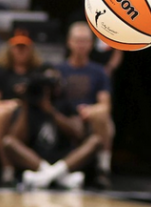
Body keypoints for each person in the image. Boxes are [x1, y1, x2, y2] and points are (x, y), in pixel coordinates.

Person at [7, 67, 95, 190]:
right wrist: (25, 104)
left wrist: (51, 111)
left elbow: (78, 134)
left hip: (63, 157)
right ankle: (60, 177)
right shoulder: (29, 106)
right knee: (8, 142)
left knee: (95, 141)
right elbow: (17, 139)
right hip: (36, 159)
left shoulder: (65, 104)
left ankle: (47, 176)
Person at [55, 23, 113, 188]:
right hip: (64, 119)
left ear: (91, 44)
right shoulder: (58, 69)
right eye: (77, 40)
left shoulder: (99, 71)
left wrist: (90, 111)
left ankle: (103, 168)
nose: (81, 45)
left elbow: (105, 105)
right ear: (69, 42)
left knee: (102, 116)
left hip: (90, 121)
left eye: (85, 41)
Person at [0, 31, 48, 185]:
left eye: (24, 47)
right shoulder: (0, 72)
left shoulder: (38, 72)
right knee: (1, 113)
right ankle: (7, 167)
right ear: (10, 49)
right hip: (8, 116)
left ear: (31, 50)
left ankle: (10, 168)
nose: (20, 51)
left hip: (33, 114)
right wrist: (9, 104)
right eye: (17, 47)